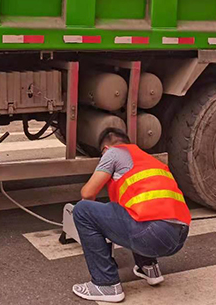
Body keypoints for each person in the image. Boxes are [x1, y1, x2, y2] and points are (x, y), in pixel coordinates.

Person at [71, 128, 190, 303]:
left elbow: (87, 193)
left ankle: (106, 284)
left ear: (106, 148)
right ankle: (148, 268)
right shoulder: (148, 158)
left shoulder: (113, 153)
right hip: (179, 235)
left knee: (83, 210)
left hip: (154, 233)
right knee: (132, 211)